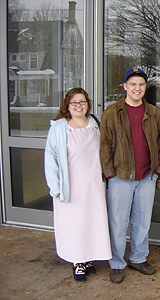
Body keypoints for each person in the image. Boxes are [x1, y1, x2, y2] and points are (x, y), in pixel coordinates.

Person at [100, 68, 160, 284]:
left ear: (145, 88)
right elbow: (104, 146)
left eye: (141, 84)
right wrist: (110, 174)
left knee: (142, 222)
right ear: (125, 87)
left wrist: (158, 170)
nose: (137, 88)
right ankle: (117, 263)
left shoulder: (154, 113)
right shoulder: (112, 112)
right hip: (120, 177)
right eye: (133, 84)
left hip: (147, 177)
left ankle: (138, 258)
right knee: (118, 224)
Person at [44, 87, 111, 283]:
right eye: (74, 102)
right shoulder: (59, 127)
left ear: (88, 104)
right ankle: (77, 262)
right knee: (74, 225)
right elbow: (51, 160)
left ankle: (89, 259)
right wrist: (55, 188)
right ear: (67, 105)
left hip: (94, 185)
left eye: (82, 102)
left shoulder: (96, 123)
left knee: (92, 222)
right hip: (70, 186)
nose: (78, 106)